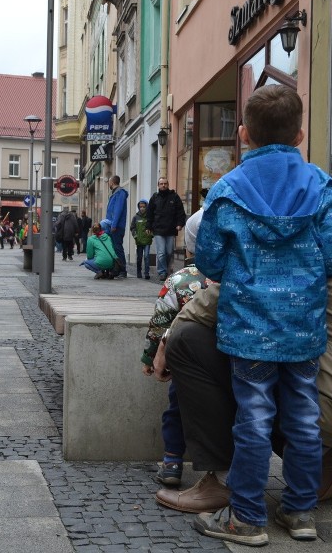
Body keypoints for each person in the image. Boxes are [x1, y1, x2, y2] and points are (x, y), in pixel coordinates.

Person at [192, 84, 332, 546]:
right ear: (300, 134)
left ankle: (246, 517)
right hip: (303, 326)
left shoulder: (227, 190)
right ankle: (300, 512)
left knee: (254, 417)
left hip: (248, 328)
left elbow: (208, 260)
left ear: (244, 134)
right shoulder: (320, 186)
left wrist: (245, 276)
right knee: (304, 415)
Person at [153, 260, 332, 512]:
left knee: (189, 340)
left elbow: (224, 295)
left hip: (321, 402)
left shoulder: (287, 244)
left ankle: (224, 482)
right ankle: (327, 458)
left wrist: (167, 338)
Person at [140, 209, 212, 488]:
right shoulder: (234, 275)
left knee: (177, 409)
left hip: (187, 364)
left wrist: (149, 357)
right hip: (227, 360)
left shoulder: (180, 281)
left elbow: (159, 321)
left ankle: (172, 462)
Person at [146, 177, 186, 281]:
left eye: (165, 183)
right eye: (161, 184)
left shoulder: (174, 197)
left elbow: (180, 212)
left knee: (169, 252)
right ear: (158, 185)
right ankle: (162, 272)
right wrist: (148, 226)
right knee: (161, 253)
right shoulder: (155, 198)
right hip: (158, 230)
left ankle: (168, 270)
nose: (163, 185)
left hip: (171, 229)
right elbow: (149, 214)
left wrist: (180, 224)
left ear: (168, 185)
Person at [105, 176, 128, 277]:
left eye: (109, 182)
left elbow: (117, 210)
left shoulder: (120, 193)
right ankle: (117, 269)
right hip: (112, 225)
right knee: (114, 248)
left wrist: (114, 225)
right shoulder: (115, 193)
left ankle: (123, 270)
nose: (108, 184)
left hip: (116, 226)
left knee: (118, 248)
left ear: (112, 182)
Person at [130, 199, 153, 279]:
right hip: (139, 241)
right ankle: (138, 272)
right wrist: (135, 236)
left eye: (143, 206)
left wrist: (151, 234)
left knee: (146, 256)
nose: (142, 208)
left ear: (146, 207)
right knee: (139, 257)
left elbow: (153, 227)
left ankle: (146, 273)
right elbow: (132, 228)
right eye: (140, 207)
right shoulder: (136, 217)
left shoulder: (149, 217)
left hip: (147, 240)